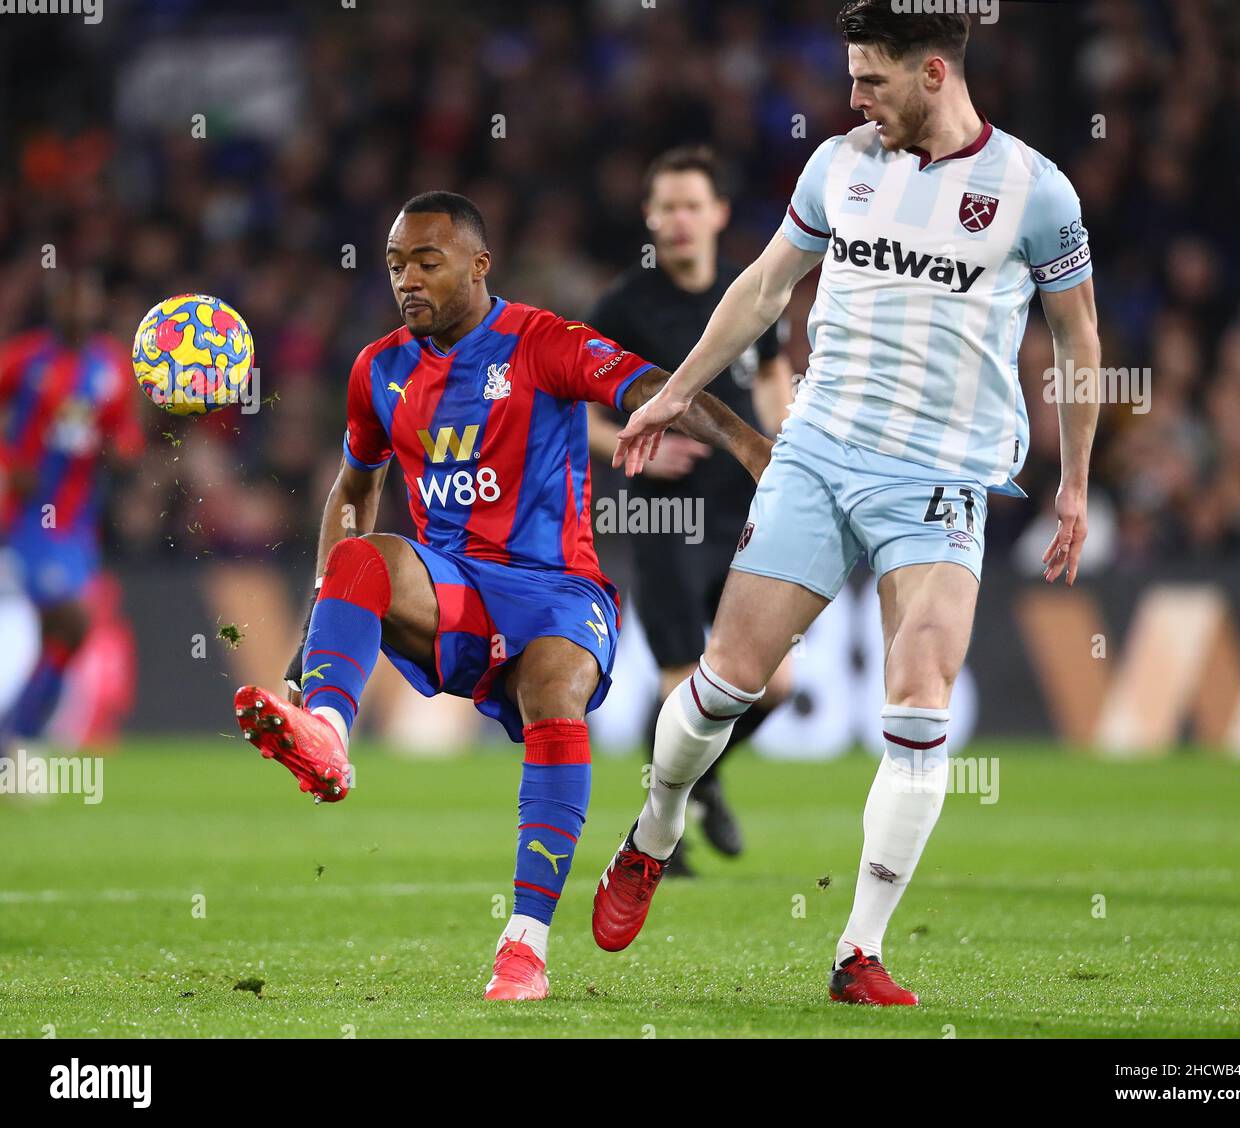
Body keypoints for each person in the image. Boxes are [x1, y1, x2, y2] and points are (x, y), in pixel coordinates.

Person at [591, 1, 1100, 1006]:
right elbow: (763, 286)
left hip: (942, 480)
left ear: (933, 75)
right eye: (852, 75)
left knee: (920, 696)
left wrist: (1076, 479)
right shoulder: (838, 165)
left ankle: (857, 951)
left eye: (871, 78)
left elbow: (1079, 343)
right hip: (819, 456)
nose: (853, 95)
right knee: (727, 680)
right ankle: (652, 832)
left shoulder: (1035, 191)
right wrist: (678, 389)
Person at [233, 191, 772, 1002]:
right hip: (456, 587)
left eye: (426, 261)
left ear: (479, 266)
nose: (406, 280)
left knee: (554, 695)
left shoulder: (540, 341)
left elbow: (658, 389)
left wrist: (752, 445)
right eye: (393, 265)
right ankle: (329, 731)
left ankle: (524, 947)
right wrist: (314, 639)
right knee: (361, 554)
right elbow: (354, 487)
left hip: (560, 593)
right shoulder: (379, 370)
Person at [587, 146, 795, 874]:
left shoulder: (748, 295)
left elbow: (771, 377)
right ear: (650, 217)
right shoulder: (623, 307)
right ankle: (661, 837)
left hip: (745, 518)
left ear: (718, 215)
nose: (678, 221)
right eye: (665, 207)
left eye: (691, 206)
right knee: (686, 687)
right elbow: (570, 407)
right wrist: (630, 436)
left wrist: (789, 444)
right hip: (663, 521)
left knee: (778, 685)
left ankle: (696, 782)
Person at [0, 268, 143, 745]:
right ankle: (16, 735)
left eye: (86, 301)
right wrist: (8, 459)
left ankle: (14, 738)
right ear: (56, 306)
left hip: (77, 525)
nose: (77, 310)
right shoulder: (26, 358)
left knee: (66, 637)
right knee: (72, 622)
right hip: (26, 518)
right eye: (69, 301)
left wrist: (122, 449)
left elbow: (125, 433)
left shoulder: (110, 367)